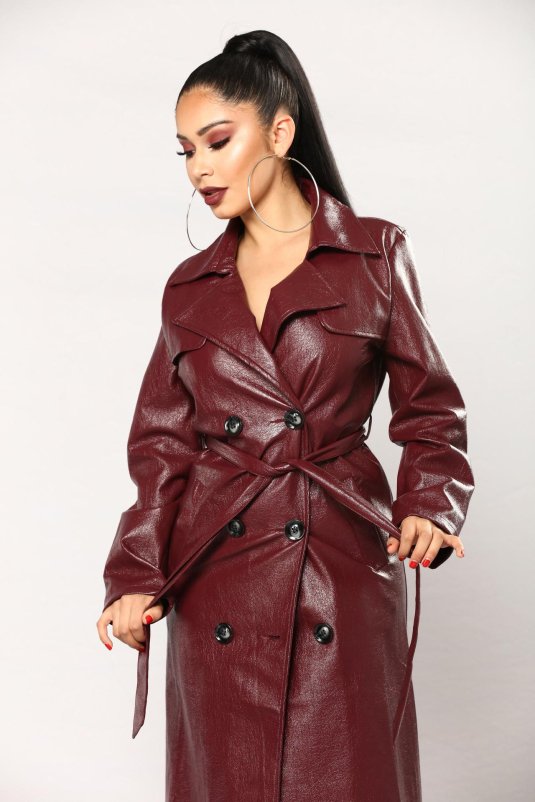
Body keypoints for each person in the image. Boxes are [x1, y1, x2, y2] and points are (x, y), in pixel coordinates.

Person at [96, 29, 474, 802]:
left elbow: (430, 408)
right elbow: (162, 446)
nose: (198, 168)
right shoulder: (189, 287)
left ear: (278, 132)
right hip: (217, 574)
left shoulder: (373, 255)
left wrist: (429, 507)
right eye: (185, 151)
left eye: (216, 141)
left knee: (342, 775)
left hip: (337, 567)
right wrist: (133, 574)